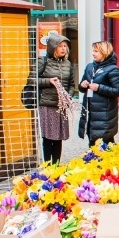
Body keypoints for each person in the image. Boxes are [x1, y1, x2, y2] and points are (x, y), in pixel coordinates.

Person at [38, 33, 76, 164]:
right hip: (47, 105)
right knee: (48, 137)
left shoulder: (68, 64)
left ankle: (56, 165)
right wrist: (49, 81)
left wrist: (68, 96)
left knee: (58, 138)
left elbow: (71, 84)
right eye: (60, 46)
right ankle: (47, 166)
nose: (63, 49)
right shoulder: (43, 61)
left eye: (65, 46)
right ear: (53, 47)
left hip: (60, 106)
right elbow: (32, 81)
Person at [78, 41, 119, 147]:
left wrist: (99, 88)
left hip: (104, 114)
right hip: (90, 113)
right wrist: (82, 85)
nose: (93, 53)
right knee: (93, 141)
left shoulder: (113, 70)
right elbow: (81, 87)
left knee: (104, 142)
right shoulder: (90, 67)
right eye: (93, 51)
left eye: (96, 51)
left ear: (104, 52)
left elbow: (117, 91)